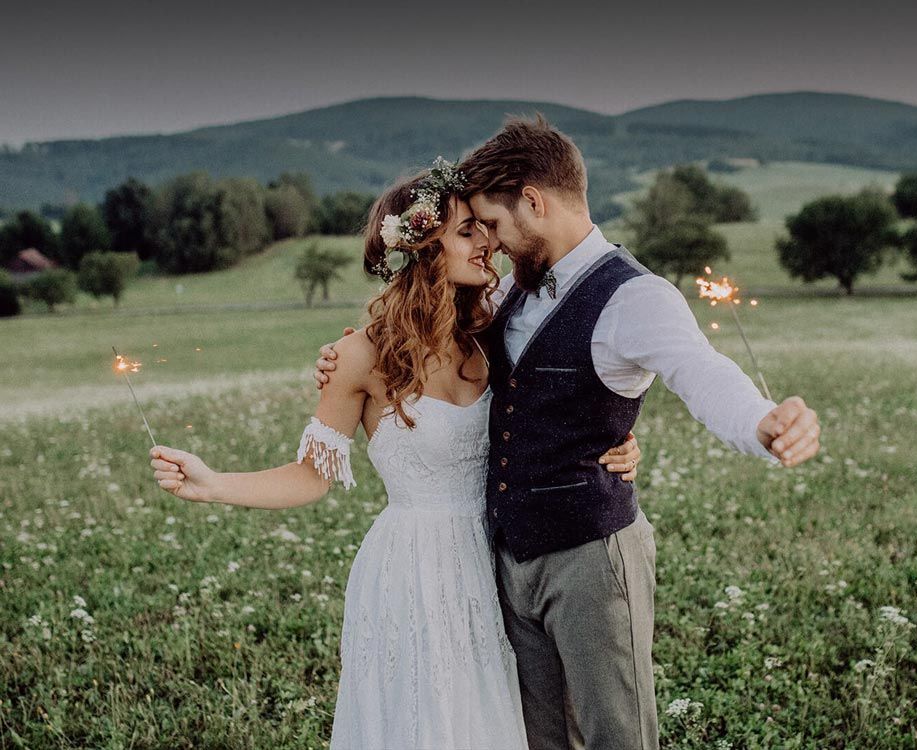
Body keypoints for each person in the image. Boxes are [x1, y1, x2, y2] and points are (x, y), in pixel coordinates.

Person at [316, 118, 820, 750]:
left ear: (533, 201)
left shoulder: (635, 298)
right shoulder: (506, 298)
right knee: (538, 738)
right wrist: (345, 359)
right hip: (502, 559)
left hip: (590, 555)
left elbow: (702, 372)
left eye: (493, 226)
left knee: (617, 733)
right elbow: (450, 349)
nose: (491, 246)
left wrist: (761, 423)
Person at [148, 158, 642, 749]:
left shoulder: (494, 333)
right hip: (411, 571)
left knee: (495, 721)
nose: (487, 241)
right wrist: (213, 483)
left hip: (495, 562)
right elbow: (310, 478)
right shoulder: (360, 356)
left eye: (483, 227)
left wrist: (615, 442)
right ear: (422, 247)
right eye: (466, 231)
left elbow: (553, 411)